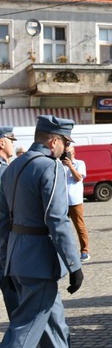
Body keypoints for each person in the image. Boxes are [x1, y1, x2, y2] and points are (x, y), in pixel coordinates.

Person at [0, 115, 84, 347]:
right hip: (39, 261)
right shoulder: (50, 167)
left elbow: (3, 219)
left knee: (54, 325)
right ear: (54, 141)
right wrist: (74, 264)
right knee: (27, 326)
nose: (67, 148)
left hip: (18, 258)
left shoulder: (13, 166)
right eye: (66, 143)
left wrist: (7, 257)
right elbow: (57, 220)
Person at [0, 126, 19, 316]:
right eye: (11, 140)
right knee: (19, 313)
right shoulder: (5, 172)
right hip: (5, 250)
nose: (14, 144)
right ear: (1, 142)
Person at [62, 145, 91, 262]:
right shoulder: (59, 165)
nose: (66, 155)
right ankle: (65, 251)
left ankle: (85, 251)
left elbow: (79, 178)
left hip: (75, 201)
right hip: (62, 201)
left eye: (68, 153)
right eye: (64, 153)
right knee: (62, 226)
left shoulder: (79, 163)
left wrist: (70, 166)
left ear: (73, 153)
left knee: (80, 226)